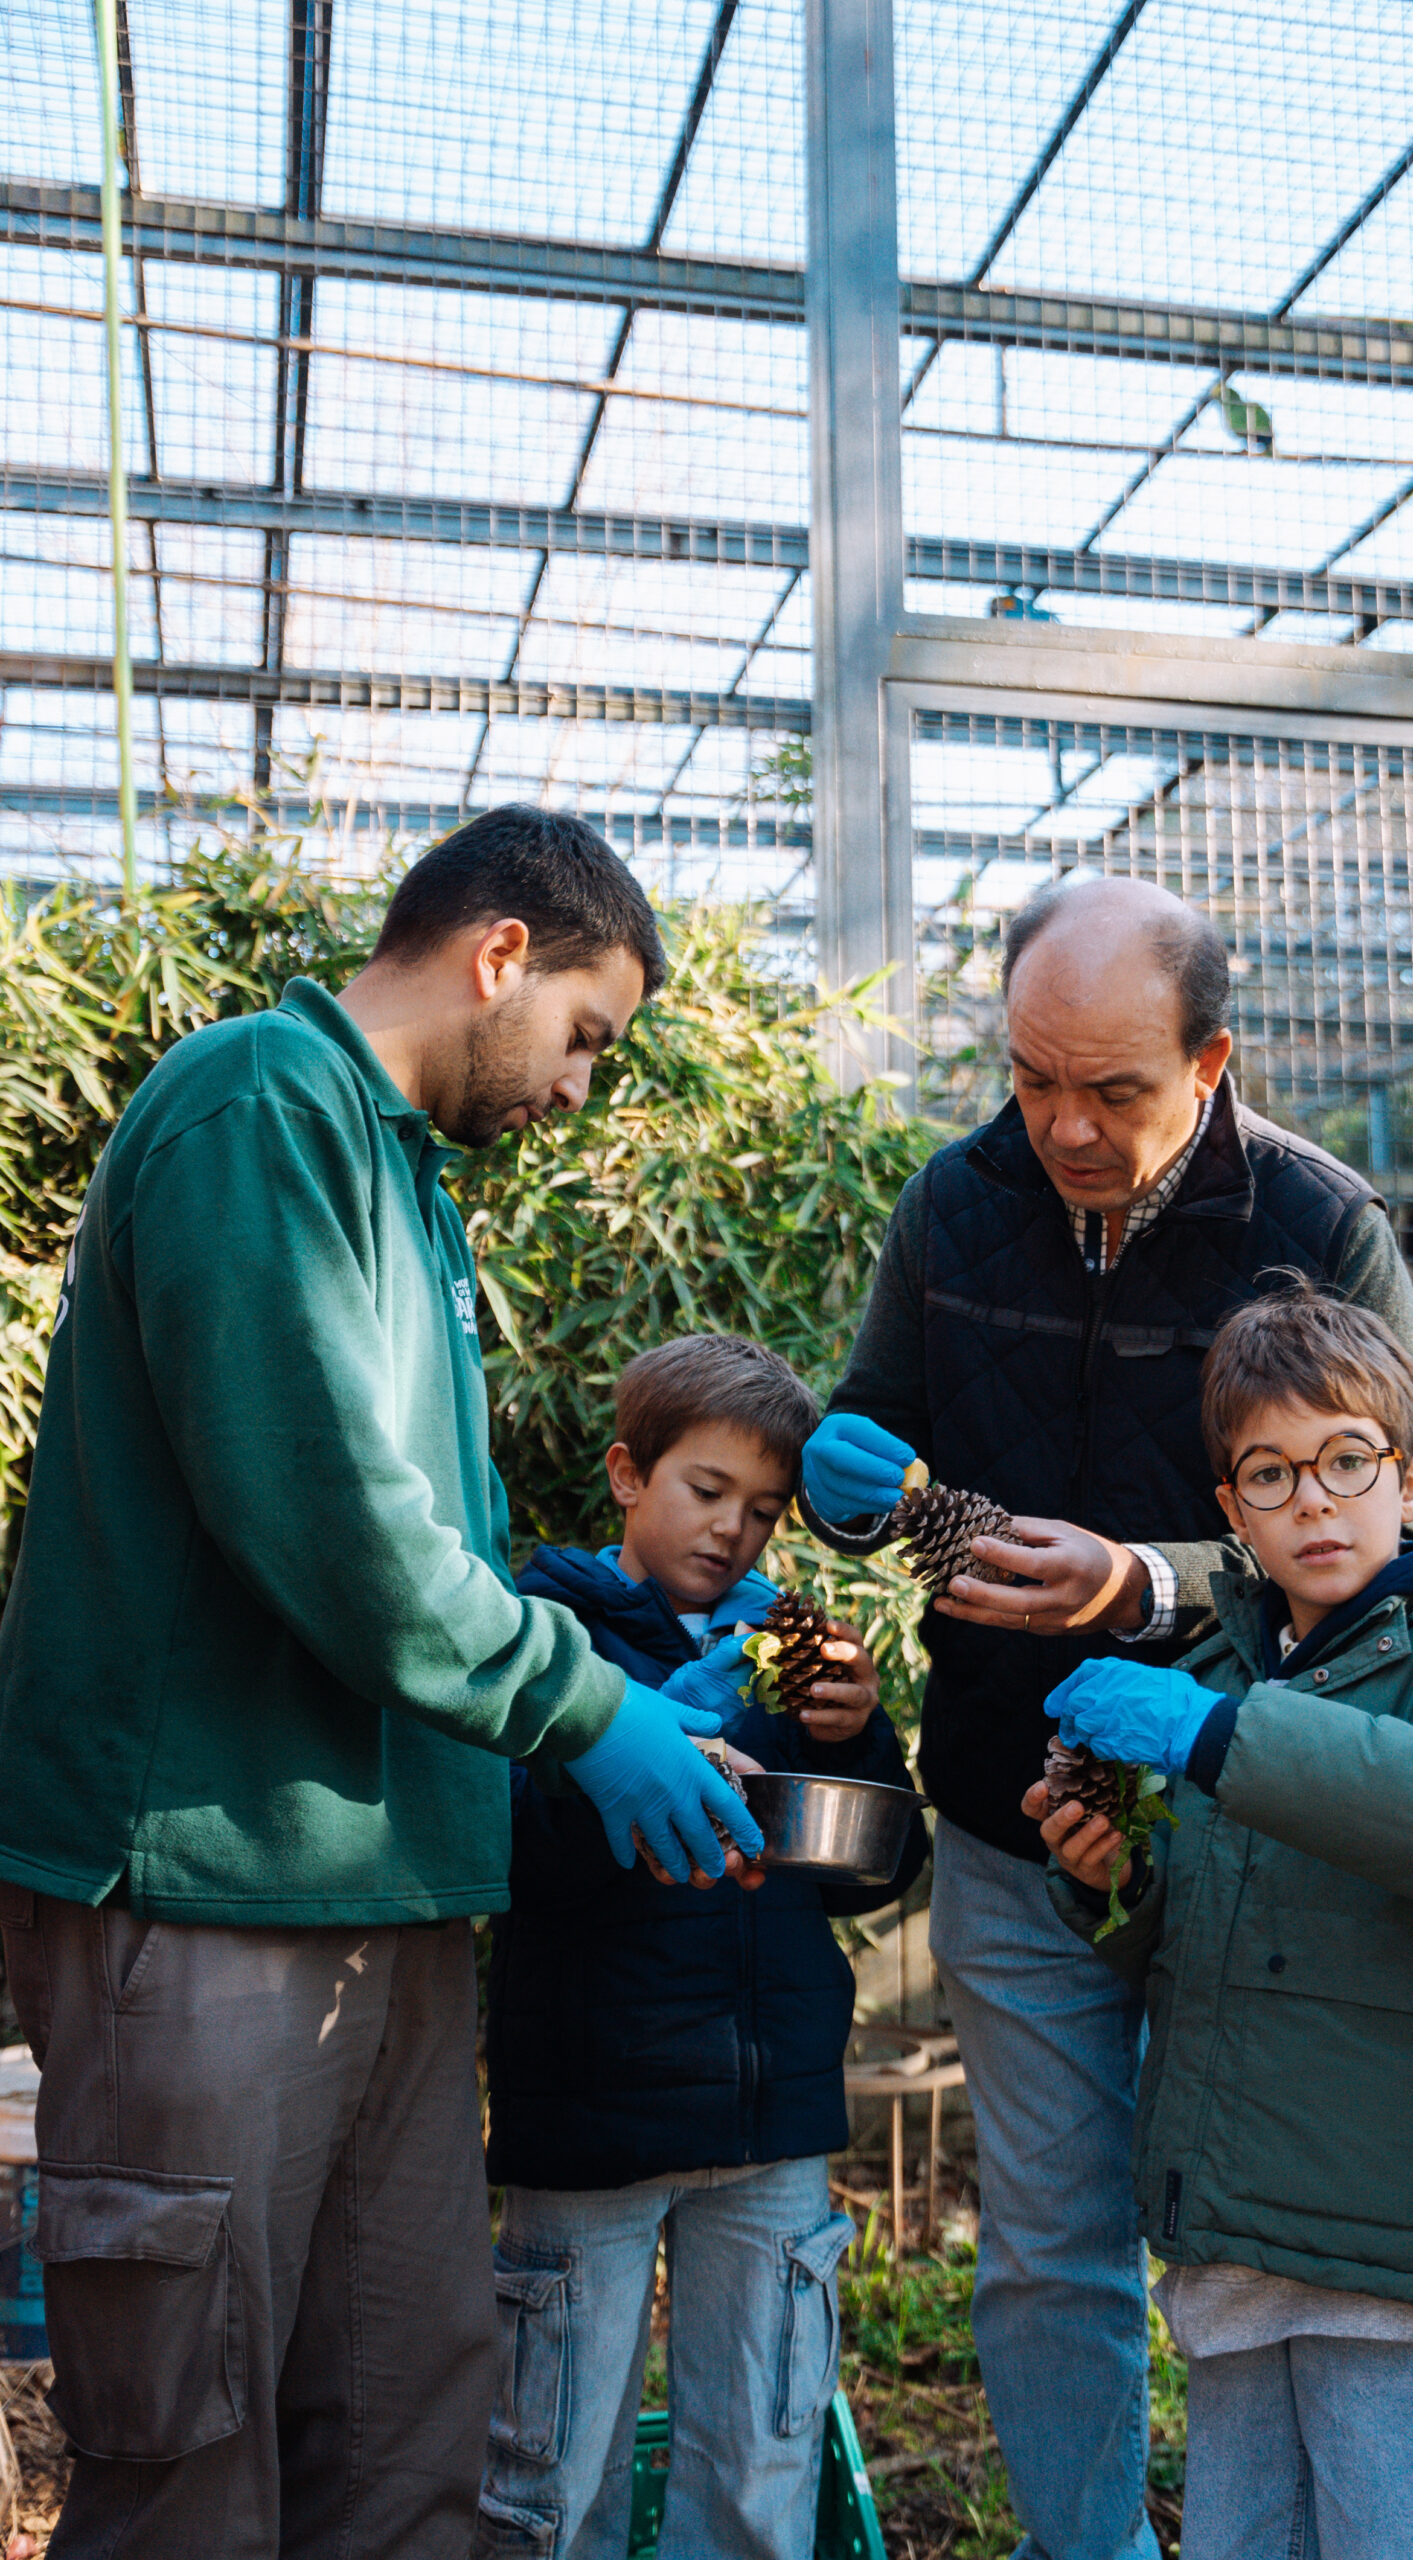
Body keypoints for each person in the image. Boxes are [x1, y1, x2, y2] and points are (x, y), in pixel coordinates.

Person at [0, 809, 763, 2560]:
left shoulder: (400, 1176)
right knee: (187, 2463)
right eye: (587, 1035)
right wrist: (588, 1712)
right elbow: (340, 1523)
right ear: (502, 954)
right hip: (209, 1889)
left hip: (389, 1896)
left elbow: (436, 1556)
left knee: (409, 2439)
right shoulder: (260, 1108)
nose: (580, 1088)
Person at [796, 875, 1413, 2560]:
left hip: (1250, 1830)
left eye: (1114, 1090)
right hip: (1016, 1821)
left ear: (1213, 1059)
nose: (1064, 1127)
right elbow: (884, 1447)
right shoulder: (954, 1206)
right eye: (1029, 1079)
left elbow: (1401, 1542)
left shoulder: (1321, 1224)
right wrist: (863, 1494)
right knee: (1047, 2246)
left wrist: (1141, 1586)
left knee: (1254, 2240)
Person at [1033, 1282, 1413, 2560]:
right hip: (1237, 2250)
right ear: (1230, 1510)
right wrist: (1105, 1870)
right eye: (1269, 1474)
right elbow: (1183, 1929)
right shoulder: (1224, 1664)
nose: (1314, 1500)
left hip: (1395, 2259)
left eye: (1345, 1459)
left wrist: (1214, 1737)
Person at [474, 1333, 927, 2560]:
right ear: (629, 1474)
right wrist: (624, 1765)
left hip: (766, 2125)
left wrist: (853, 1737)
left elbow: (877, 1870)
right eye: (706, 1491)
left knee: (760, 2465)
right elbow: (506, 1851)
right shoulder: (545, 1632)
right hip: (594, 2124)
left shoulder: (791, 1647)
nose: (733, 1531)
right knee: (553, 2469)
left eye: (765, 1511)